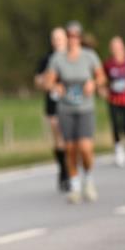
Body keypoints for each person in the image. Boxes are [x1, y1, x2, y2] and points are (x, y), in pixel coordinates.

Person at [44, 21, 107, 204]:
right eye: (69, 36)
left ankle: (88, 177)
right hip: (66, 109)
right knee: (70, 148)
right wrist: (56, 86)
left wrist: (93, 84)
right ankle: (75, 185)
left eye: (75, 36)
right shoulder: (58, 59)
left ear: (80, 37)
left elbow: (102, 77)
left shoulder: (89, 56)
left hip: (85, 108)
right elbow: (48, 82)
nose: (72, 40)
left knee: (86, 148)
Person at [35, 27, 69, 191]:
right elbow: (38, 80)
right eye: (55, 38)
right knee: (58, 138)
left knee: (70, 138)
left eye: (60, 38)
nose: (57, 41)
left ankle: (72, 169)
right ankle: (63, 170)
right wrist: (50, 84)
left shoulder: (72, 56)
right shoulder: (46, 59)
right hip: (53, 102)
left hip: (71, 102)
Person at [104, 35, 125, 167]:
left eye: (118, 46)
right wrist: (104, 89)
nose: (116, 49)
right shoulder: (108, 64)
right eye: (114, 47)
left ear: (123, 47)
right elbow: (102, 79)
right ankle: (118, 149)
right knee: (115, 124)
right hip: (113, 98)